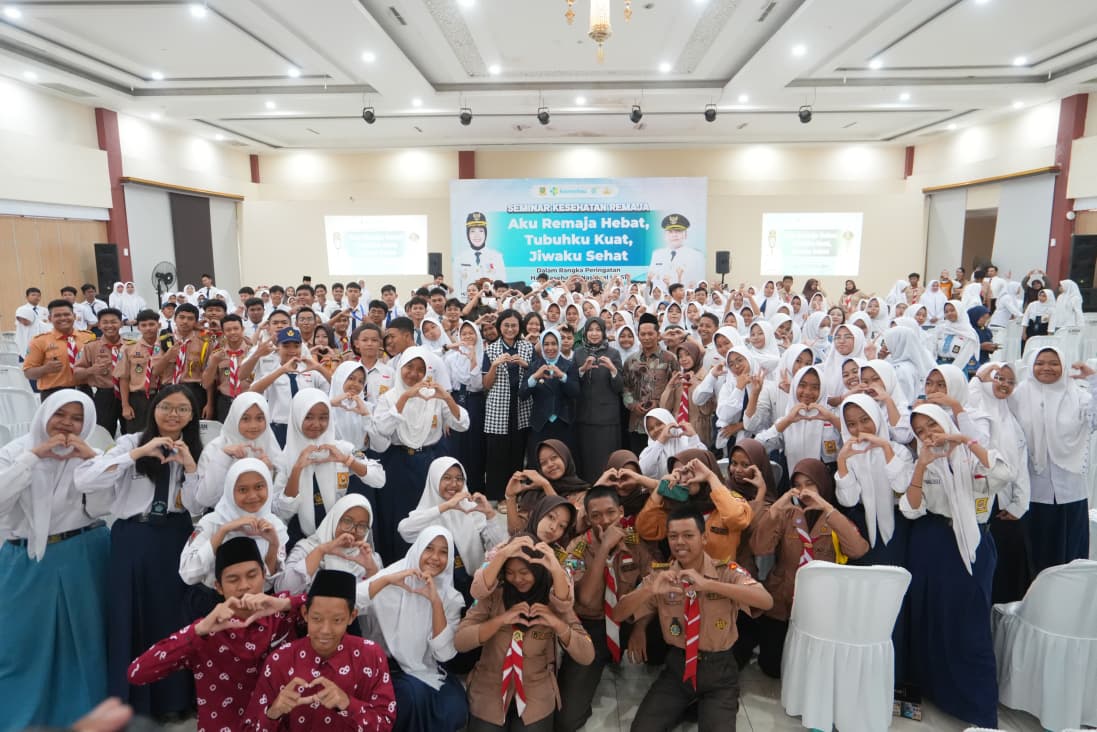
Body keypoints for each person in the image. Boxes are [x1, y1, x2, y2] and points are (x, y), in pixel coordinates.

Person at [74, 384, 205, 718]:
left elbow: (198, 503)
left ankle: (173, 701)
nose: (173, 415)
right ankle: (131, 701)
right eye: (166, 407)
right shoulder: (130, 443)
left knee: (172, 618)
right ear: (154, 408)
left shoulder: (195, 449)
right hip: (133, 535)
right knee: (130, 616)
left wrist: (190, 466)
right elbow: (87, 481)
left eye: (182, 409)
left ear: (192, 415)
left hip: (175, 537)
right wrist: (138, 453)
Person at [0, 390, 110, 730]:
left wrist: (91, 459)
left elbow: (104, 506)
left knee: (83, 644)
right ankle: (20, 717)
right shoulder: (15, 451)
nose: (67, 424)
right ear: (44, 413)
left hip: (82, 555)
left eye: (77, 418)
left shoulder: (91, 452)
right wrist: (34, 457)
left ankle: (82, 716)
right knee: (20, 645)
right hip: (25, 558)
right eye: (60, 414)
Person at [902, 404, 1013, 729]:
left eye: (932, 425)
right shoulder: (921, 459)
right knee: (929, 616)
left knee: (969, 624)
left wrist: (965, 440)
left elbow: (1003, 476)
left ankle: (977, 708)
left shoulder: (971, 454)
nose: (928, 435)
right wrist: (921, 466)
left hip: (973, 544)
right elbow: (911, 510)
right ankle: (935, 690)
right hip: (931, 542)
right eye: (920, 431)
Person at [612, 507, 773, 732]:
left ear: (704, 538)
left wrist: (709, 584)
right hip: (678, 669)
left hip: (720, 672)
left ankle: (706, 707)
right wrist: (648, 590)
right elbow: (618, 614)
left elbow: (766, 601)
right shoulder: (661, 575)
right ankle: (690, 706)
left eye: (688, 535)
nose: (680, 542)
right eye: (673, 536)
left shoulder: (726, 570)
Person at [128, 537, 307, 732]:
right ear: (218, 587)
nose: (244, 586)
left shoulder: (283, 613)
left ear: (264, 575)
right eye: (233, 579)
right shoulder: (205, 633)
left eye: (252, 575)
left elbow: (332, 610)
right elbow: (137, 673)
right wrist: (198, 630)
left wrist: (285, 604)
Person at [455, 535, 595, 732]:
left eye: (524, 572)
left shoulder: (554, 599)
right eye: (510, 572)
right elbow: (460, 641)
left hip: (535, 691)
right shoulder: (494, 595)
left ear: (538, 571)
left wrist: (556, 623)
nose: (517, 579)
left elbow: (587, 654)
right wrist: (500, 621)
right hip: (489, 687)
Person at [746, 459, 868, 678]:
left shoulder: (834, 518)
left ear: (823, 485)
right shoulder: (789, 514)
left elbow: (858, 550)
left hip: (819, 606)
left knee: (810, 671)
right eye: (798, 484)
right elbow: (759, 546)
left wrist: (828, 509)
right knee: (772, 668)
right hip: (782, 601)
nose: (804, 491)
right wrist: (775, 509)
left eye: (810, 484)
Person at [555, 487, 662, 732]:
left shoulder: (634, 540)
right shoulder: (577, 547)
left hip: (626, 618)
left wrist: (640, 627)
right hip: (591, 627)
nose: (604, 521)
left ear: (621, 512)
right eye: (596, 515)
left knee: (665, 624)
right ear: (588, 518)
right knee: (568, 720)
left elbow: (653, 581)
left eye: (610, 513)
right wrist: (603, 550)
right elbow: (585, 598)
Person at [244, 569, 397, 730]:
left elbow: (385, 724)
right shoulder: (280, 660)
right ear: (305, 614)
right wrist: (274, 712)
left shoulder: (371, 655)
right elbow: (249, 727)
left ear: (352, 616)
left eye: (337, 620)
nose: (325, 630)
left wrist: (348, 704)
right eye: (317, 619)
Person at [361, 527, 468, 732]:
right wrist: (383, 580)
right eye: (429, 548)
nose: (435, 558)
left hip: (427, 667)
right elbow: (350, 602)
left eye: (444, 552)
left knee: (455, 707)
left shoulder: (451, 596)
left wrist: (436, 601)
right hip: (387, 668)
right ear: (418, 548)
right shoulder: (393, 576)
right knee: (412, 697)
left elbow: (444, 654)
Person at [373, 348, 470, 559]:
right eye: (410, 367)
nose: (414, 374)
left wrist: (446, 397)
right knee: (400, 514)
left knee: (432, 512)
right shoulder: (389, 397)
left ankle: (433, 559)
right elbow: (382, 429)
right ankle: (399, 561)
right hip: (399, 461)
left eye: (420, 369)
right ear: (400, 368)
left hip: (430, 460)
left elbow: (462, 424)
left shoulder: (433, 396)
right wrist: (406, 397)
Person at [1009, 348, 1095, 573]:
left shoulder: (1078, 395)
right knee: (1033, 558)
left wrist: (1094, 381)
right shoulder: (1018, 395)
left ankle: (1065, 605)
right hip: (1032, 493)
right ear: (1031, 365)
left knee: (1068, 559)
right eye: (1040, 363)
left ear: (1064, 366)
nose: (1046, 368)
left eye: (1054, 363)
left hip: (1070, 492)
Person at [275, 388, 384, 551]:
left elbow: (379, 479)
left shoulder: (341, 448)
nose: (317, 424)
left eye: (323, 418)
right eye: (308, 417)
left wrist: (347, 460)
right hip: (302, 541)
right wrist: (297, 469)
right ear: (297, 417)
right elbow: (281, 512)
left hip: (342, 538)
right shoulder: (285, 458)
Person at [397, 457, 508, 604]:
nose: (454, 484)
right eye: (447, 478)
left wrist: (490, 515)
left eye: (459, 478)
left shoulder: (471, 509)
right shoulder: (427, 513)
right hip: (434, 589)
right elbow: (404, 530)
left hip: (471, 586)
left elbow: (499, 546)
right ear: (435, 480)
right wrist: (445, 507)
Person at [967, 363, 1031, 603]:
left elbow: (1020, 464)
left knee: (1005, 570)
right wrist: (976, 381)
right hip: (980, 500)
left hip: (1005, 506)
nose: (1003, 384)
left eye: (1009, 381)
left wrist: (1019, 504)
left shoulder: (1011, 420)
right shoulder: (975, 410)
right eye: (998, 378)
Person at [179, 459, 288, 590]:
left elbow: (267, 583)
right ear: (230, 491)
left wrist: (274, 544)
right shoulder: (211, 522)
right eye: (243, 490)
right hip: (213, 602)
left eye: (259, 487)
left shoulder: (275, 526)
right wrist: (223, 530)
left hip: (257, 603)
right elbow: (188, 574)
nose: (253, 496)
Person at [636, 449, 752, 564]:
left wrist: (710, 477)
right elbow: (646, 530)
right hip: (682, 577)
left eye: (687, 472)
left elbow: (737, 520)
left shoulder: (730, 500)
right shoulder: (676, 505)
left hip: (719, 577)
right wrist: (660, 489)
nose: (683, 479)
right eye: (678, 473)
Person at [279, 493, 381, 598]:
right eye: (347, 521)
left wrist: (371, 569)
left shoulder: (370, 558)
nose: (353, 530)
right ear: (334, 519)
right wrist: (321, 551)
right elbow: (283, 591)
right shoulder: (307, 549)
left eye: (362, 526)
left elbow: (378, 606)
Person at [194, 392, 281, 510]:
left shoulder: (270, 444)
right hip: (223, 519)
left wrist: (271, 472)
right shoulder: (216, 447)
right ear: (234, 418)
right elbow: (204, 499)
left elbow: (279, 499)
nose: (253, 425)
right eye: (245, 418)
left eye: (260, 418)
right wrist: (223, 457)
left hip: (259, 519)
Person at [481, 310, 534, 501]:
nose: (510, 329)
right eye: (506, 325)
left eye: (514, 325)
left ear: (519, 326)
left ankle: (516, 494)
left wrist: (525, 365)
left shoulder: (528, 347)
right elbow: (485, 384)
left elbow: (535, 376)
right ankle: (499, 495)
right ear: (500, 327)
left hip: (522, 406)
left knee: (518, 453)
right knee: (497, 454)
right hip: (498, 406)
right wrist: (494, 365)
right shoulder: (491, 349)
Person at [250, 326, 331, 447]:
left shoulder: (311, 371)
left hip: (306, 425)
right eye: (286, 346)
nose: (292, 350)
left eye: (296, 346)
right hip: (280, 426)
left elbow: (336, 386)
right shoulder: (272, 372)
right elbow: (253, 391)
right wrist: (281, 371)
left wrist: (319, 367)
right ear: (278, 348)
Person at [571, 316, 624, 481]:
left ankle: (607, 488)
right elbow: (572, 385)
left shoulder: (613, 353)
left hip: (607, 418)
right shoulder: (578, 353)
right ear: (585, 332)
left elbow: (619, 387)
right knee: (587, 456)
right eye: (590, 330)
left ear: (603, 332)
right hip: (585, 415)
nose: (594, 334)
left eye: (598, 330)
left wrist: (612, 370)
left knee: (605, 457)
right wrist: (581, 370)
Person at [520, 330, 580, 466]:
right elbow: (522, 394)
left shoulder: (569, 365)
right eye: (546, 344)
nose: (550, 348)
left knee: (563, 462)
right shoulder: (534, 366)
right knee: (539, 463)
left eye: (554, 343)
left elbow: (575, 392)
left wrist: (562, 376)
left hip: (563, 422)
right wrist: (535, 377)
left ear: (559, 345)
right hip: (540, 423)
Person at [622, 315, 679, 455]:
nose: (646, 337)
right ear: (638, 335)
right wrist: (633, 405)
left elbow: (677, 389)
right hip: (637, 424)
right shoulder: (631, 360)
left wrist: (659, 403)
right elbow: (625, 388)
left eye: (650, 334)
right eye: (643, 334)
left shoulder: (670, 359)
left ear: (658, 335)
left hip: (662, 424)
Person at [23, 298, 96, 399]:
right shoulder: (39, 341)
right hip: (54, 394)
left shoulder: (89, 337)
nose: (63, 318)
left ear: (74, 316)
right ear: (49, 318)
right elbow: (28, 373)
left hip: (84, 390)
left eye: (66, 314)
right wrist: (45, 369)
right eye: (57, 315)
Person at [445, 320, 487, 493]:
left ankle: (476, 487)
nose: (468, 336)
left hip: (475, 401)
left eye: (472, 333)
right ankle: (455, 487)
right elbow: (446, 387)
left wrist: (473, 361)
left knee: (475, 444)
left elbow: (479, 384)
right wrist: (446, 416)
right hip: (455, 401)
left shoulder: (483, 355)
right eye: (465, 333)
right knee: (456, 445)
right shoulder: (450, 358)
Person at [73, 307, 127, 435]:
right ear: (99, 325)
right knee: (103, 433)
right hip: (104, 394)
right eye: (105, 322)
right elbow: (77, 372)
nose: (109, 326)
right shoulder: (90, 346)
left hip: (128, 395)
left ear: (121, 323)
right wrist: (91, 370)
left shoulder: (131, 345)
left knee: (130, 433)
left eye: (113, 322)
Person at [117, 309, 164, 434]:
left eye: (151, 324)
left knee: (161, 434)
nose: (148, 328)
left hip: (162, 395)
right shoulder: (128, 348)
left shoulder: (167, 346)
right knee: (137, 436)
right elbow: (124, 378)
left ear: (159, 325)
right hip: (139, 398)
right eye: (143, 325)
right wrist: (125, 405)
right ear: (138, 327)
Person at [647, 214, 705, 289]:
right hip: (661, 299)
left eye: (678, 231)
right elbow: (652, 280)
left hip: (684, 299)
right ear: (665, 235)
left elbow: (699, 283)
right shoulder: (657, 254)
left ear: (685, 234)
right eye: (670, 232)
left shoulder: (696, 255)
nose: (674, 235)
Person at [456, 212, 507, 293]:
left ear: (485, 233)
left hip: (491, 301)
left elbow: (502, 285)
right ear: (467, 234)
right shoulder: (460, 258)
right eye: (472, 231)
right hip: (467, 301)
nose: (477, 235)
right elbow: (457, 286)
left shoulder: (496, 257)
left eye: (481, 231)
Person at [15, 286, 51, 358]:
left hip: (43, 343)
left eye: (38, 295)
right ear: (27, 297)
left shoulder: (45, 310)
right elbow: (24, 323)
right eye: (33, 295)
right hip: (27, 342)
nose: (36, 297)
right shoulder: (21, 310)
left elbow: (48, 325)